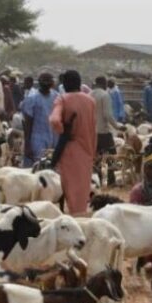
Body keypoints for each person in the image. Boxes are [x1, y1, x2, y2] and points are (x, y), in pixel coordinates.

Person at [49, 70, 96, 215]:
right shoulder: (90, 100)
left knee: (71, 189)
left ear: (65, 83)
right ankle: (81, 215)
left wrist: (62, 129)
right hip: (87, 150)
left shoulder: (62, 99)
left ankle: (75, 218)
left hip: (70, 150)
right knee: (82, 189)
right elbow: (93, 127)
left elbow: (54, 120)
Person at [19, 72, 58, 167]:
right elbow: (27, 122)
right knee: (37, 167)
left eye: (48, 81)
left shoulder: (56, 96)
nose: (46, 84)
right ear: (39, 83)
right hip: (37, 139)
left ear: (52, 83)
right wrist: (27, 145)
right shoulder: (32, 98)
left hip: (53, 137)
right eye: (44, 81)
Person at [92, 76, 120, 185]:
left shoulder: (89, 95)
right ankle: (110, 181)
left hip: (92, 133)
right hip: (103, 132)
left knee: (97, 158)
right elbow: (107, 114)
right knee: (111, 156)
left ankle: (101, 180)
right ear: (104, 84)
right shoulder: (105, 95)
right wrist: (117, 126)